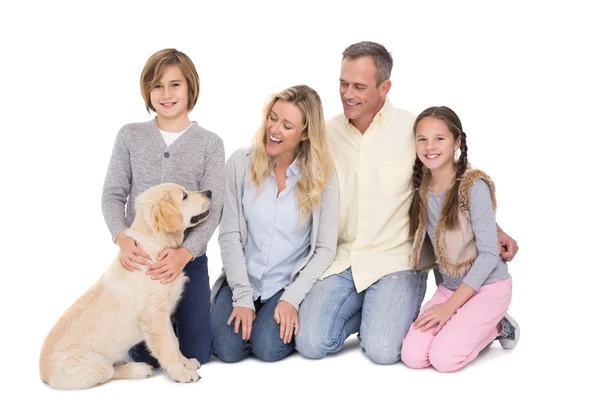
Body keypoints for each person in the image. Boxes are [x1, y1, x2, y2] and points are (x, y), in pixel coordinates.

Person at [295, 41, 519, 365]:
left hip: (396, 259)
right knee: (310, 344)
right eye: (343, 83)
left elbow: (454, 178)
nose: (347, 93)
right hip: (345, 258)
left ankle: (478, 320)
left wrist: (495, 228)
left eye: (359, 86)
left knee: (384, 351)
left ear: (384, 87)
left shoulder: (412, 130)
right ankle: (375, 313)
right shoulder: (326, 133)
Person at [101, 48, 225, 367]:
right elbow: (113, 194)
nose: (166, 94)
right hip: (140, 260)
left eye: (175, 84)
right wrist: (122, 238)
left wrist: (185, 253)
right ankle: (161, 323)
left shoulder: (210, 143)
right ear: (148, 92)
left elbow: (215, 207)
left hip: (188, 260)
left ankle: (195, 308)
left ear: (190, 88)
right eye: (157, 86)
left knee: (198, 354)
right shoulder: (130, 136)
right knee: (145, 355)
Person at [210, 84, 339, 362]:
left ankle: (265, 326)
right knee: (226, 349)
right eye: (273, 117)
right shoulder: (240, 163)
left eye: (287, 125)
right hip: (244, 280)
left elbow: (325, 249)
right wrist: (242, 298)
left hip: (284, 284)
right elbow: (229, 234)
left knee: (268, 348)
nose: (274, 129)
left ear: (305, 134)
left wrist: (292, 297)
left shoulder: (322, 177)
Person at [400, 106, 518, 372]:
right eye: (422, 139)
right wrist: (447, 303)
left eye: (439, 138)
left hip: (487, 286)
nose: (430, 146)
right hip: (450, 287)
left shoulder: (473, 184)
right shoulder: (422, 186)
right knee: (413, 356)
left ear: (457, 142)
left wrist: (449, 309)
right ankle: (466, 323)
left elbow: (489, 255)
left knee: (444, 359)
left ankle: (499, 325)